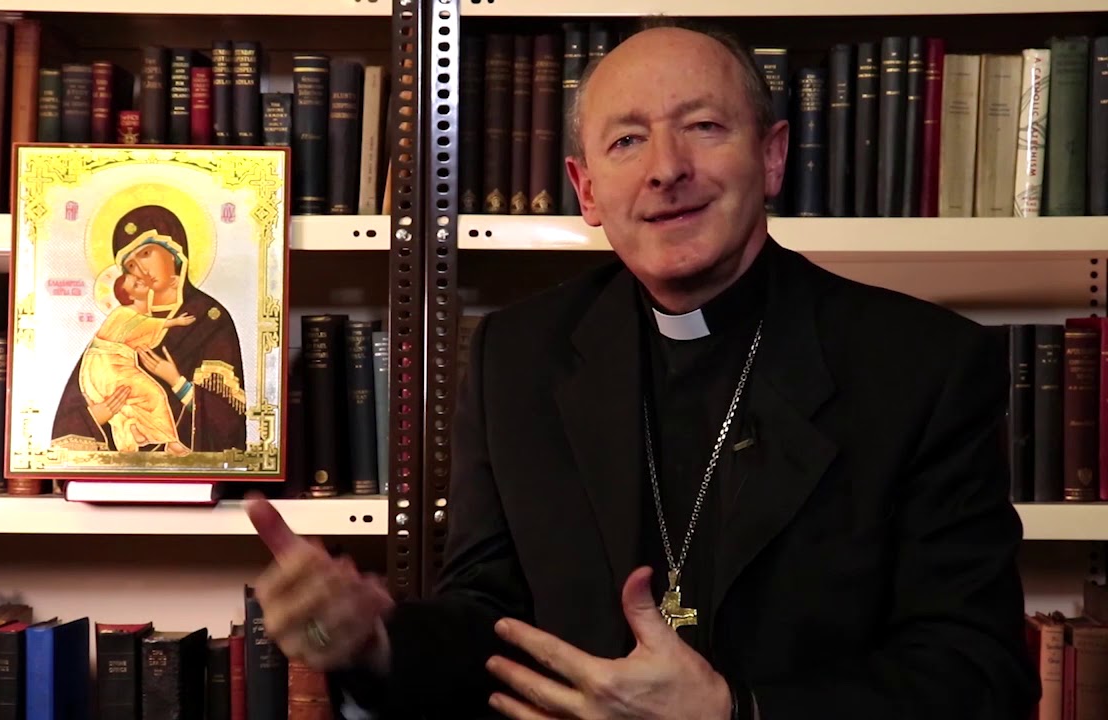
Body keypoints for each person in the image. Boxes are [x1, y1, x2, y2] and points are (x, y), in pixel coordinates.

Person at [245, 21, 1040, 720]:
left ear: (772, 157)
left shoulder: (924, 364)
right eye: (627, 140)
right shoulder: (515, 356)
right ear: (587, 189)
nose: (666, 168)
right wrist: (376, 642)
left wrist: (735, 712)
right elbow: (490, 618)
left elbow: (980, 677)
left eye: (703, 127)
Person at [51, 204, 248, 455]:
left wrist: (177, 382)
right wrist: (101, 414)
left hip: (189, 471)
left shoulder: (209, 319)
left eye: (146, 253)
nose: (142, 270)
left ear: (174, 250)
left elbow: (228, 422)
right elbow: (71, 415)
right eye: (131, 266)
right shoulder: (122, 322)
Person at [77, 271, 197, 456]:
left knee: (129, 402)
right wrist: (174, 322)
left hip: (112, 364)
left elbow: (141, 336)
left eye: (138, 279)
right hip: (106, 365)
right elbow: (145, 325)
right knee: (154, 394)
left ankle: (133, 429)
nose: (140, 281)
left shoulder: (138, 314)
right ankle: (171, 442)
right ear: (130, 296)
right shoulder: (123, 313)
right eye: (135, 284)